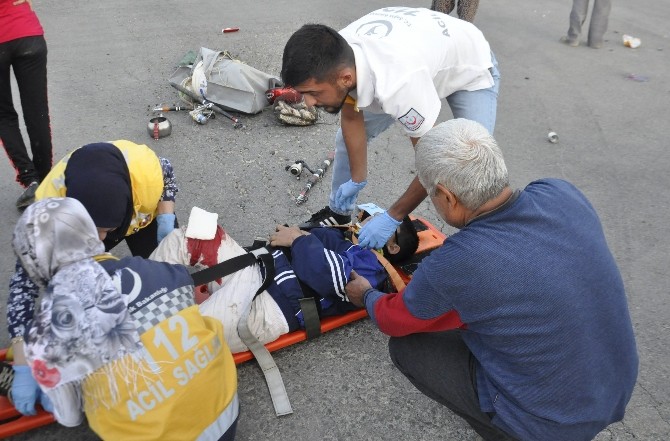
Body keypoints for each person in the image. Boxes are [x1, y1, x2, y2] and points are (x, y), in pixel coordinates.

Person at [345, 119, 638, 441]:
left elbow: (394, 320)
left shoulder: (461, 260)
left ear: (446, 196)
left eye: (430, 193)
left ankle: (507, 429)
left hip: (550, 422)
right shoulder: (560, 192)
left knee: (408, 349)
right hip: (615, 389)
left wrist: (368, 295)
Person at [12, 197, 239, 440]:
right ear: (93, 232)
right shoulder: (165, 270)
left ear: (32, 259)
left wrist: (54, 382)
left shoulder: (47, 330)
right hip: (226, 414)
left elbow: (70, 416)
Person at [280, 6, 500, 249]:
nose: (308, 103)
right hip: (423, 52)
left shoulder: (397, 84)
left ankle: (478, 250)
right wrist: (357, 178)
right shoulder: (337, 56)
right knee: (346, 139)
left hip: (469, 65)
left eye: (312, 94)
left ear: (345, 78)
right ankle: (338, 214)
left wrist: (393, 216)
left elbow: (434, 165)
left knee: (471, 168)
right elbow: (352, 115)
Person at [150, 213, 419, 353]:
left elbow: (332, 278)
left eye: (385, 222)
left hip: (266, 308)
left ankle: (133, 338)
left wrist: (299, 239)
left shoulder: (374, 268)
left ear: (392, 247)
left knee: (175, 335)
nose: (371, 218)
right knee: (197, 230)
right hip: (254, 269)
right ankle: (143, 294)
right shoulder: (348, 242)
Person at [0, 0, 53, 209]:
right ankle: (45, 179)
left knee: (3, 116)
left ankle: (31, 179)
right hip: (28, 34)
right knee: (37, 112)